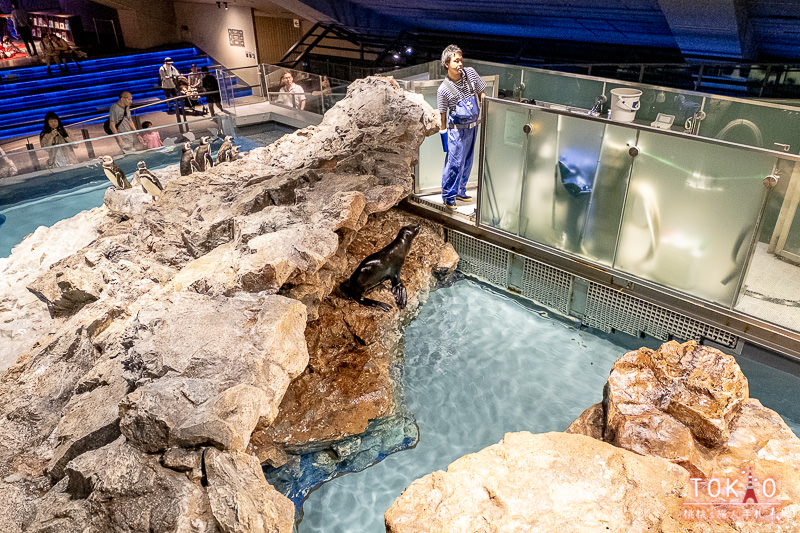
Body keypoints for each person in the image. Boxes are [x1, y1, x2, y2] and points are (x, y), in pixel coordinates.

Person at [437, 44, 485, 209]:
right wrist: (443, 136)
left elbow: (481, 91)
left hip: (473, 126)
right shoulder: (443, 89)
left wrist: (486, 108)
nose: (460, 64)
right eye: (456, 61)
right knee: (454, 163)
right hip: (456, 130)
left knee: (468, 160)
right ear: (447, 64)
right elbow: (442, 115)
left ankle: (460, 190)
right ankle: (448, 195)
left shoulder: (470, 73)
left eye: (460, 60)